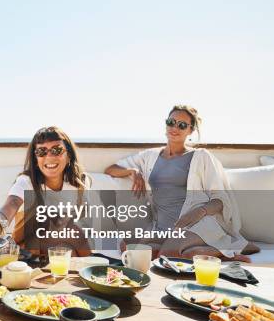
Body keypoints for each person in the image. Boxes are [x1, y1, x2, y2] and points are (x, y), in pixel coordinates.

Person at [104, 105, 258, 261]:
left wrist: (200, 212)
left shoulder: (201, 157)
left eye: (182, 125)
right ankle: (206, 249)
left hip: (197, 225)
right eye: (171, 122)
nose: (174, 127)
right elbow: (111, 169)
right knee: (131, 250)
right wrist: (133, 172)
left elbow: (220, 199)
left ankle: (229, 252)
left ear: (190, 130)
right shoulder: (150, 156)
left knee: (167, 255)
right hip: (163, 229)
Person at [0, 126, 95, 257]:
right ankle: (94, 269)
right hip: (29, 245)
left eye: (57, 150)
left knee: (67, 249)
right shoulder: (26, 182)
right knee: (71, 237)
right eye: (41, 151)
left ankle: (91, 270)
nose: (49, 156)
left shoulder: (80, 182)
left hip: (66, 241)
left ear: (68, 156)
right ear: (36, 159)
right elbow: (11, 205)